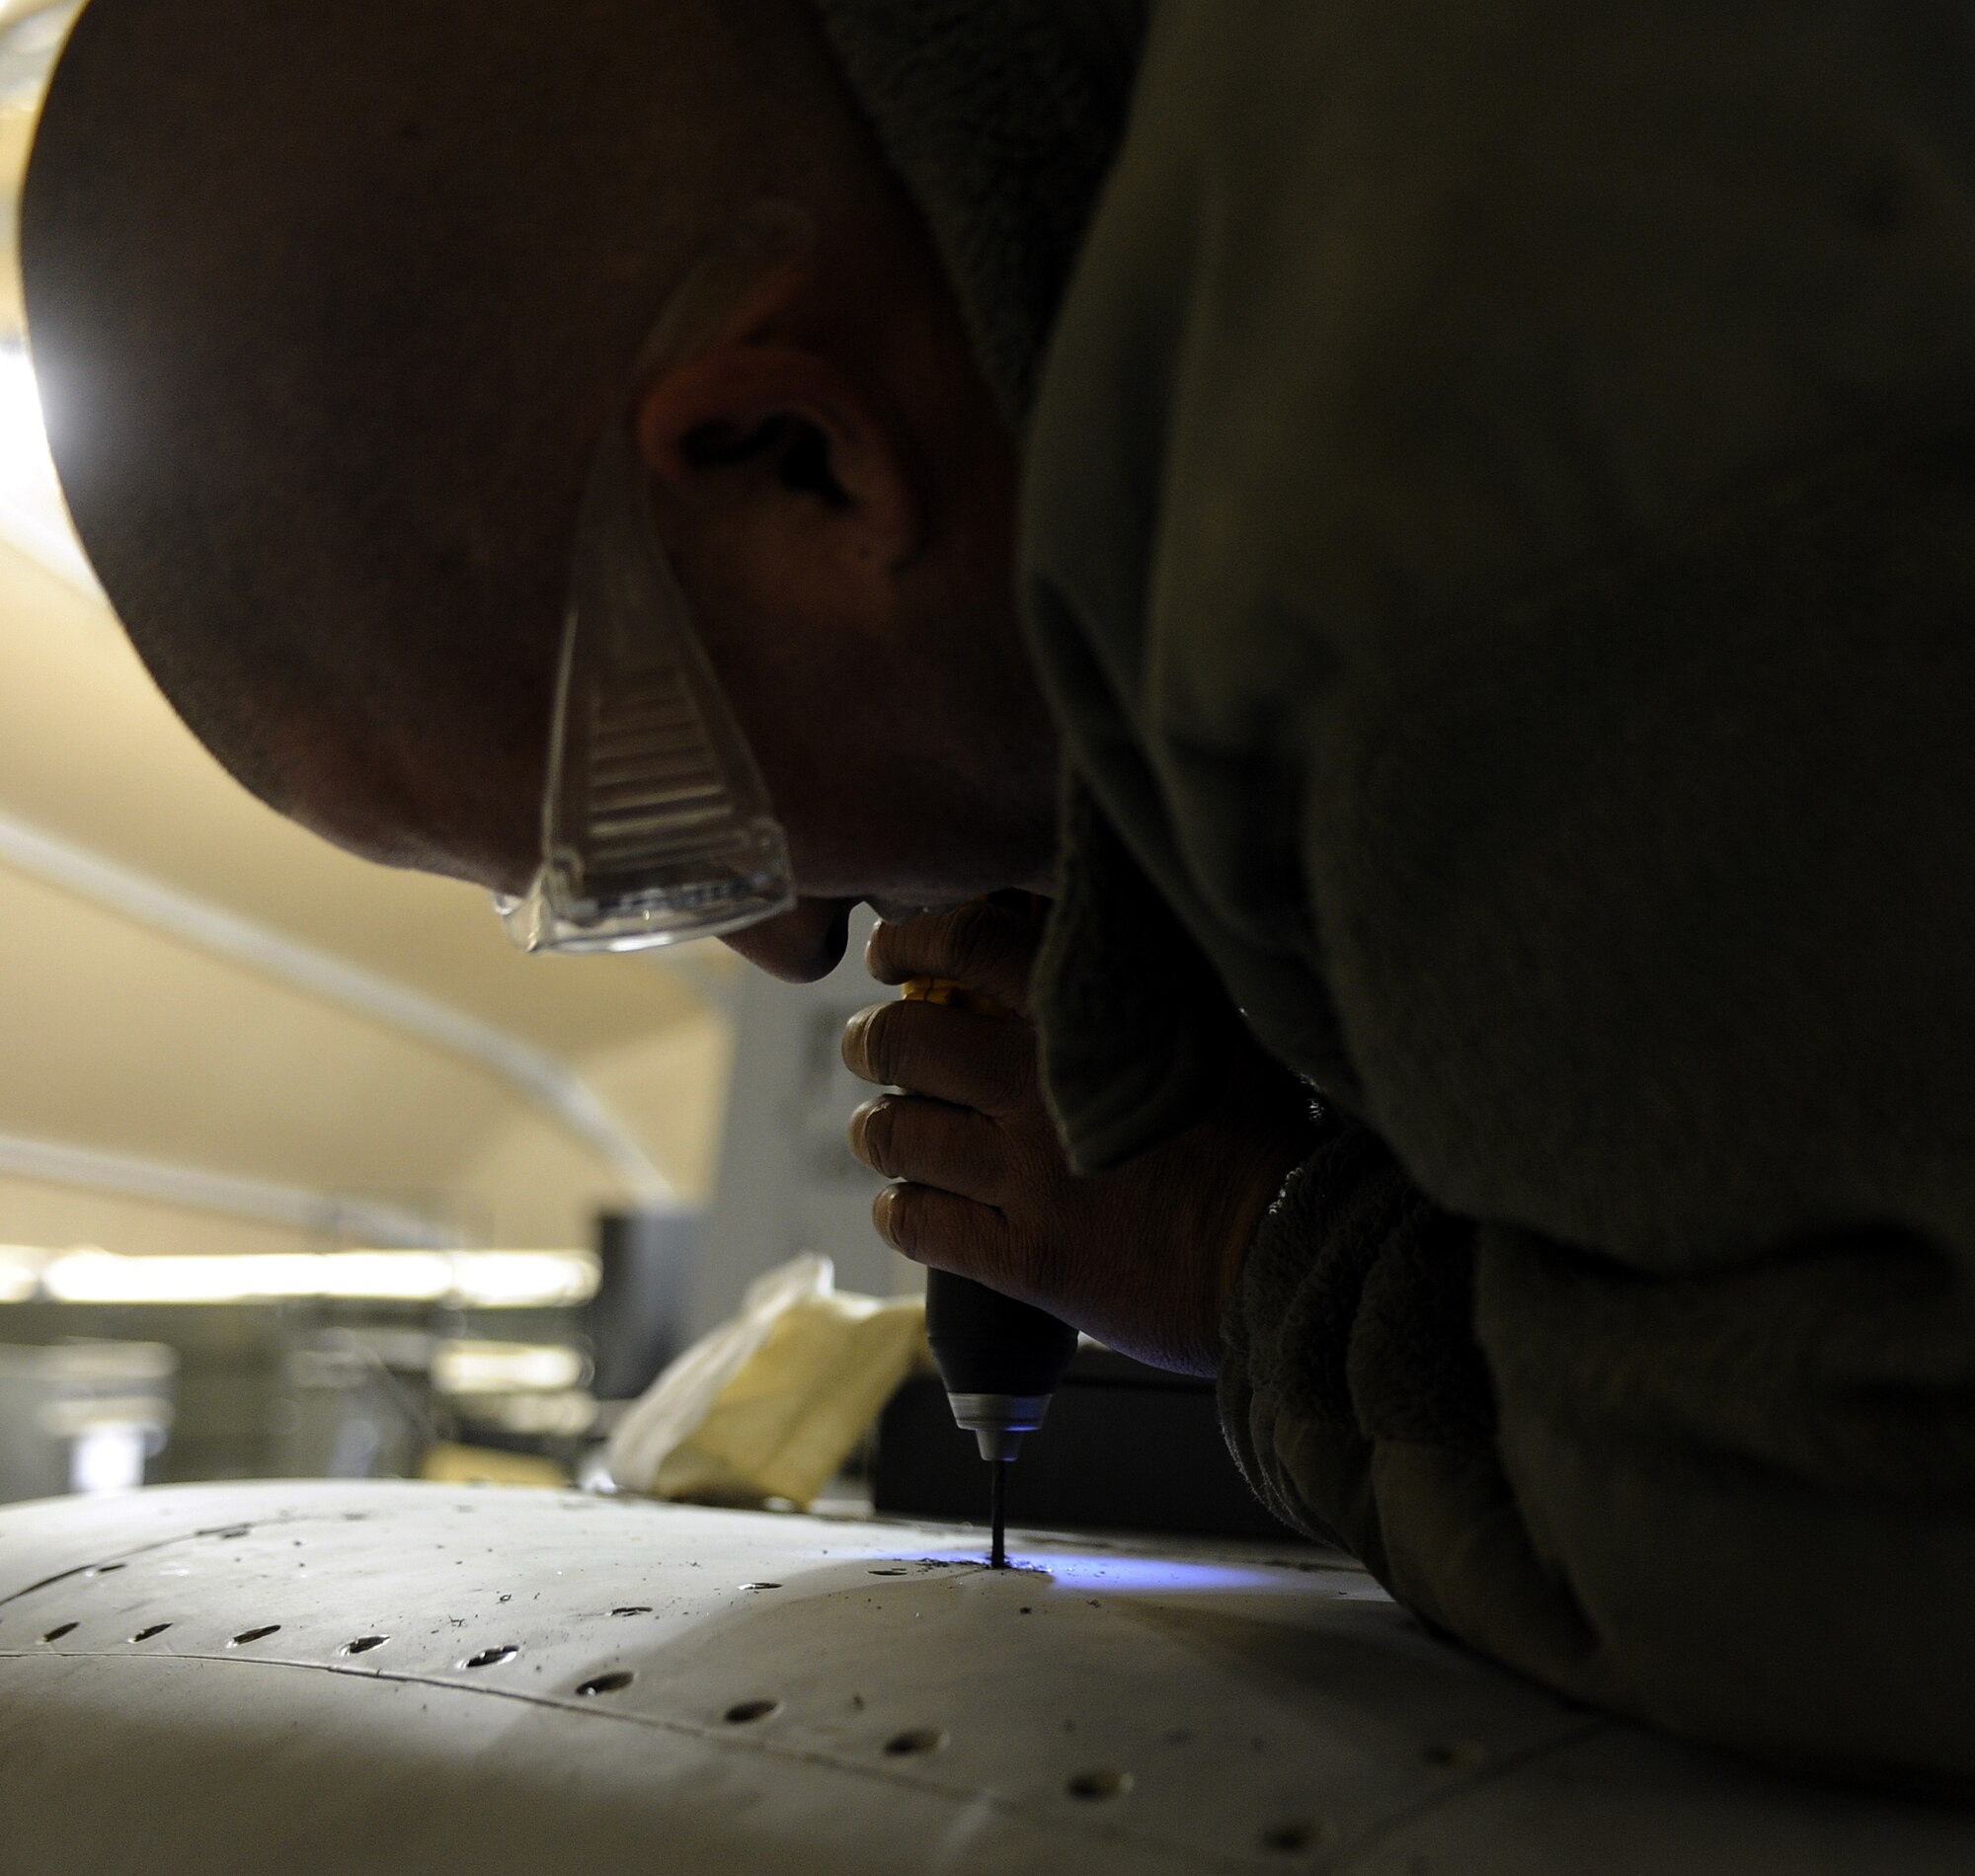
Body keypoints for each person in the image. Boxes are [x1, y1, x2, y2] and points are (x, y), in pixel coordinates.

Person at [22, 0, 1975, 1786]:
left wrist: (1236, 1242)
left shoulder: (1447, 510)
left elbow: (1863, 1518)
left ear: (797, 452)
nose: (784, 942)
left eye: (646, 837)